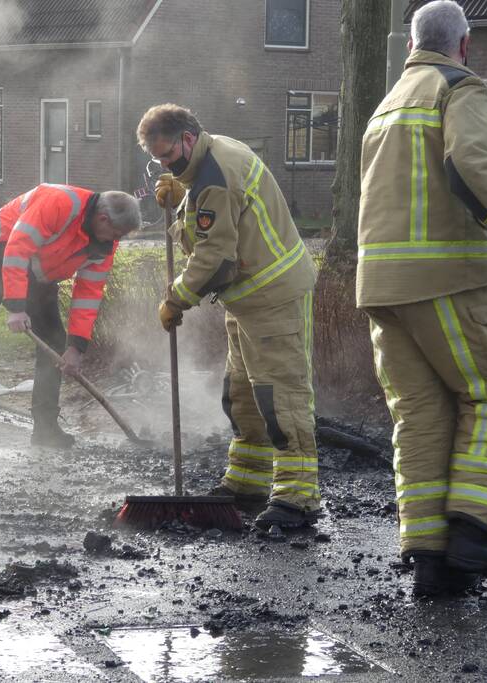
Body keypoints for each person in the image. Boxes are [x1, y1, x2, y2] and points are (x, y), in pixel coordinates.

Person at [356, 0, 487, 597]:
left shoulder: (388, 104)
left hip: (383, 288)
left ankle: (430, 557)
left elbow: (411, 203)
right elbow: (469, 165)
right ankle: (475, 532)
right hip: (444, 284)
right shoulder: (460, 86)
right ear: (465, 45)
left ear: (410, 46)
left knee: (420, 417)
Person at [140, 104, 320, 530]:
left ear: (187, 138)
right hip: (248, 299)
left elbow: (215, 256)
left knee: (281, 397)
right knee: (241, 394)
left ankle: (298, 498)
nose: (164, 164)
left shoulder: (215, 176)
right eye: (156, 160)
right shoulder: (212, 156)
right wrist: (183, 197)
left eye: (167, 155)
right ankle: (247, 482)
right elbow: (218, 211)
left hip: (273, 297)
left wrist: (175, 299)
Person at [0, 186, 141, 450]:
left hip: (36, 270)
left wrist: (76, 347)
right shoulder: (60, 203)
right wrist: (16, 306)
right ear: (103, 218)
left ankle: (45, 427)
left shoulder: (105, 243)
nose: (114, 240)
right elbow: (17, 248)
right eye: (115, 234)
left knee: (55, 340)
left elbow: (88, 295)